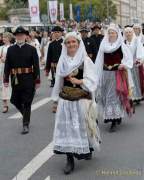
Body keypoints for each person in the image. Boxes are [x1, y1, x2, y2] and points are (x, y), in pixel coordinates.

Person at [52, 32, 101, 175]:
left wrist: (80, 81)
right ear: (65, 45)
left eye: (74, 42)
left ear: (78, 44)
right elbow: (58, 82)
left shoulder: (85, 60)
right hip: (66, 99)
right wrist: (55, 100)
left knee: (82, 125)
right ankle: (69, 159)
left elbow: (93, 80)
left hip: (81, 98)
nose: (71, 44)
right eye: (68, 42)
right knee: (67, 128)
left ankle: (87, 147)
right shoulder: (63, 61)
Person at [95, 24, 133, 132]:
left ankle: (114, 120)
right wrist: (97, 75)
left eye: (113, 33)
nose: (111, 34)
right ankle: (115, 115)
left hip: (117, 74)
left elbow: (128, 58)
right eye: (110, 33)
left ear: (117, 34)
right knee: (105, 96)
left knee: (114, 96)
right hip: (105, 73)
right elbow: (99, 60)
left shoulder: (121, 45)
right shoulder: (103, 45)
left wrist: (123, 65)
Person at [3, 26, 40, 134]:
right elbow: (7, 65)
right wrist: (5, 79)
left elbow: (36, 65)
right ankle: (26, 114)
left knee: (27, 101)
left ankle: (25, 124)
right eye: (18, 35)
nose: (20, 36)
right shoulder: (10, 49)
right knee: (14, 100)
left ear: (25, 36)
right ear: (15, 36)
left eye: (22, 35)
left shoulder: (31, 49)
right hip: (15, 79)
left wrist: (37, 80)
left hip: (28, 78)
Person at [124, 26, 144, 104]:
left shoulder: (136, 41)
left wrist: (138, 59)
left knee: (136, 80)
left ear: (132, 33)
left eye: (130, 32)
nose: (128, 34)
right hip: (127, 65)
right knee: (129, 80)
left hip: (135, 64)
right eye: (126, 32)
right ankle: (131, 96)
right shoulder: (124, 42)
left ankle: (138, 96)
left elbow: (140, 50)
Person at [0, 32, 13, 113]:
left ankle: (19, 102)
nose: (3, 38)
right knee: (3, 86)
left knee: (14, 86)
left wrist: (7, 60)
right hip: (2, 69)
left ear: (9, 38)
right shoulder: (1, 48)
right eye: (3, 37)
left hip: (11, 69)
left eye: (5, 37)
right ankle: (5, 105)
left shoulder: (13, 47)